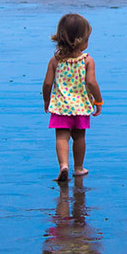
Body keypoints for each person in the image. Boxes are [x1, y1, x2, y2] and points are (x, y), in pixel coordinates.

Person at [43, 13, 103, 182]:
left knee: (61, 137)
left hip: (61, 107)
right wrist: (98, 101)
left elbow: (47, 84)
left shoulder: (55, 61)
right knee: (80, 137)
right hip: (81, 107)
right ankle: (78, 167)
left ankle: (63, 165)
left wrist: (47, 100)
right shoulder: (87, 61)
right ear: (81, 40)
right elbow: (91, 82)